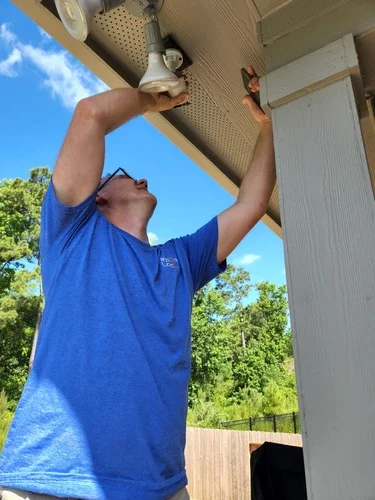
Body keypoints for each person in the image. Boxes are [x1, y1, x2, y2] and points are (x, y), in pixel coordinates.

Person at [0, 67, 276, 500]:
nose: (143, 178)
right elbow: (89, 113)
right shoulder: (74, 233)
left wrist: (270, 125)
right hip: (50, 481)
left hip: (158, 488)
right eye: (127, 174)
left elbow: (252, 202)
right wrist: (154, 100)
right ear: (99, 196)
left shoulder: (181, 261)